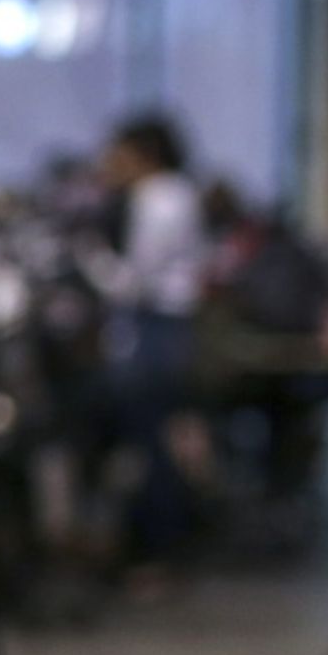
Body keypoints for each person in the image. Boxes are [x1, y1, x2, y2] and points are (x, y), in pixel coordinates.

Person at [97, 113, 206, 574]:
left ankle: (158, 550)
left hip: (156, 327)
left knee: (151, 442)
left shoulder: (158, 197)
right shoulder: (180, 193)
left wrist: (91, 260)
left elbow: (135, 281)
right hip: (166, 327)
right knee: (159, 439)